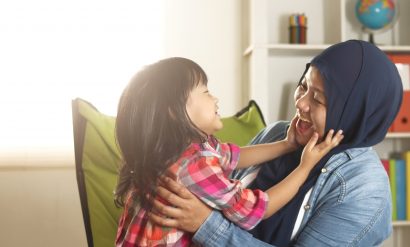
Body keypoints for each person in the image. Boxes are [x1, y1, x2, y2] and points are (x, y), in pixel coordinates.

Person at [149, 40, 403, 246]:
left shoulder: (364, 190)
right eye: (303, 86)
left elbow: (220, 214)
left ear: (354, 114)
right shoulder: (278, 134)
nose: (301, 103)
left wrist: (205, 225)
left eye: (318, 99)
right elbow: (221, 185)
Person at [114, 57, 344, 246]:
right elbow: (257, 209)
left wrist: (287, 144)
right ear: (174, 111)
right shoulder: (195, 165)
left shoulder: (179, 152)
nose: (214, 98)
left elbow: (234, 156)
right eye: (205, 92)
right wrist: (305, 167)